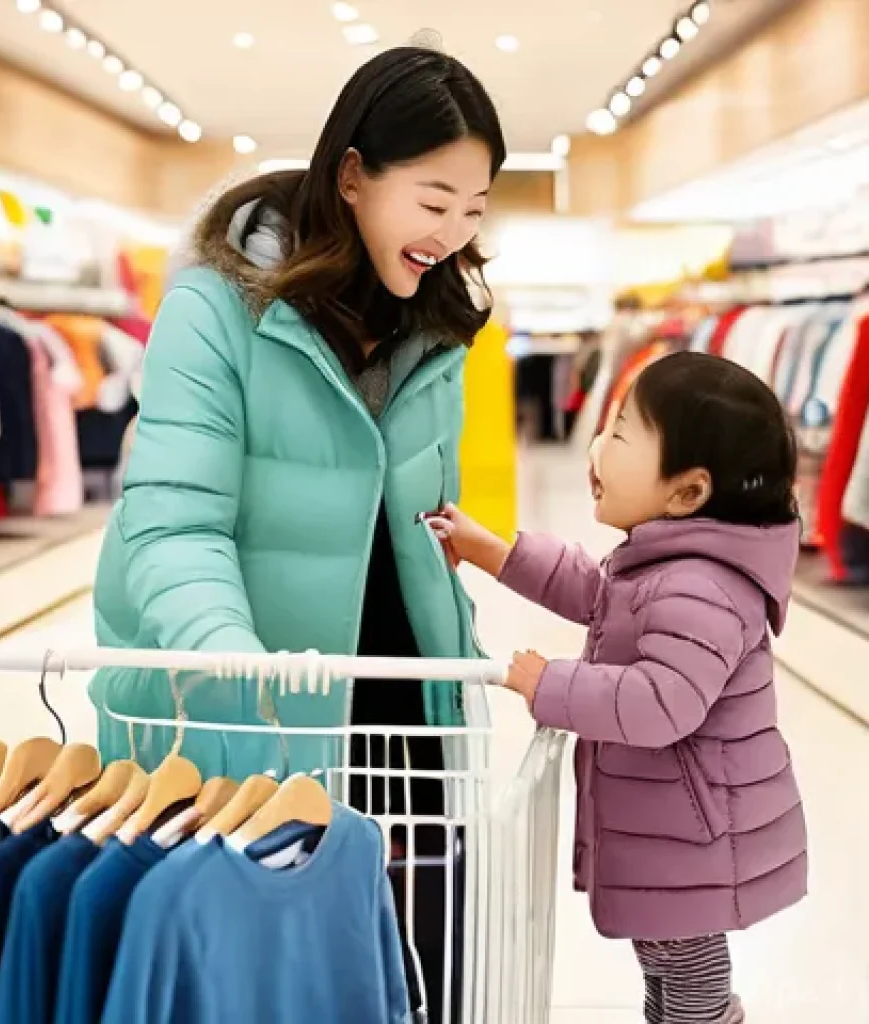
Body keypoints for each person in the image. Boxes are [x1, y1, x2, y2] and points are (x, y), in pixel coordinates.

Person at [91, 46, 506, 1020]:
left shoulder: (436, 321)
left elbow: (414, 526)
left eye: (476, 208)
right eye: (433, 199)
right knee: (257, 981)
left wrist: (469, 639)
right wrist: (236, 664)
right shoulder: (215, 309)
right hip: (240, 706)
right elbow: (173, 523)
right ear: (353, 176)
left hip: (396, 710)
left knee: (410, 965)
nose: (452, 233)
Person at [429, 351, 808, 1024]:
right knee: (667, 964)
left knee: (689, 974)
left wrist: (551, 684)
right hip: (675, 828)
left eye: (621, 434)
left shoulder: (703, 586)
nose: (596, 447)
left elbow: (662, 702)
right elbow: (597, 592)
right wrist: (495, 552)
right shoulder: (671, 565)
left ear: (688, 492)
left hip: (695, 837)